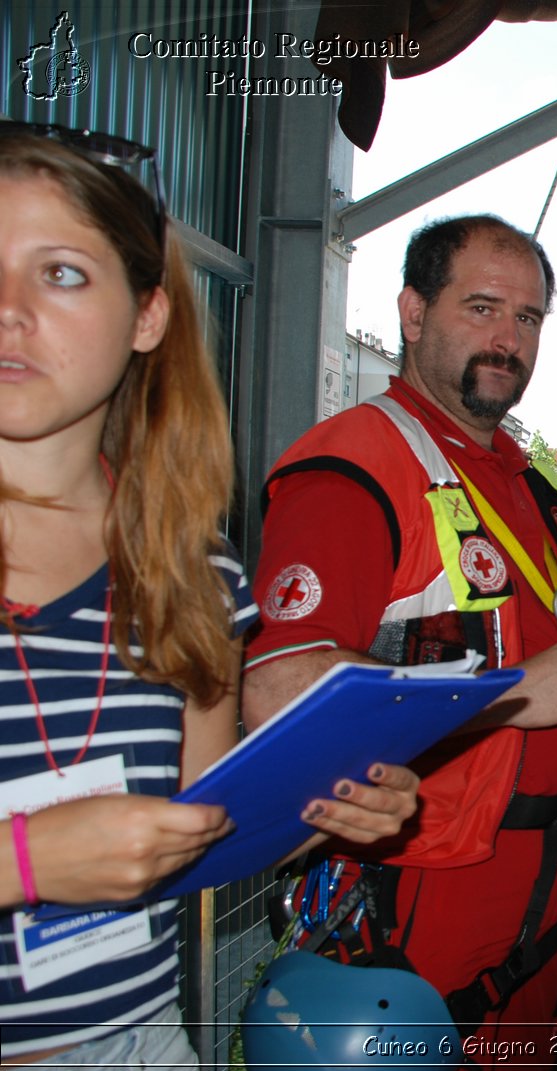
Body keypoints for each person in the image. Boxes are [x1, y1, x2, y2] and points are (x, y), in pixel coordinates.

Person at [0, 125, 418, 1066]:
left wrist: (324, 806)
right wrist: (23, 861)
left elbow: (197, 827)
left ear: (148, 315)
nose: (8, 308)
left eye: (60, 273)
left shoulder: (193, 574)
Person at [242, 214, 557, 1062]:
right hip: (417, 895)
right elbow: (281, 694)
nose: (509, 340)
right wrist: (518, 696)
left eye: (528, 319)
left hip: (541, 893)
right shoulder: (356, 466)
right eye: (484, 308)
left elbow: (551, 648)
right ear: (413, 312)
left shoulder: (525, 485)